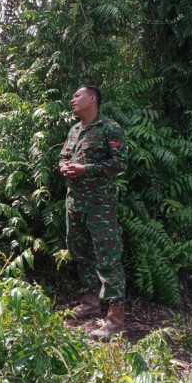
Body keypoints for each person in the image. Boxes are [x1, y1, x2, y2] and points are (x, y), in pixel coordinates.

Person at [60, 85, 128, 340]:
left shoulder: (110, 128)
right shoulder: (74, 130)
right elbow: (63, 156)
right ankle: (90, 303)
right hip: (75, 205)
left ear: (92, 99)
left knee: (108, 259)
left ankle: (116, 319)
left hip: (100, 207)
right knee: (81, 254)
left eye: (77, 95)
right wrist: (64, 167)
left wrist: (85, 170)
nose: (73, 99)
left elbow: (120, 162)